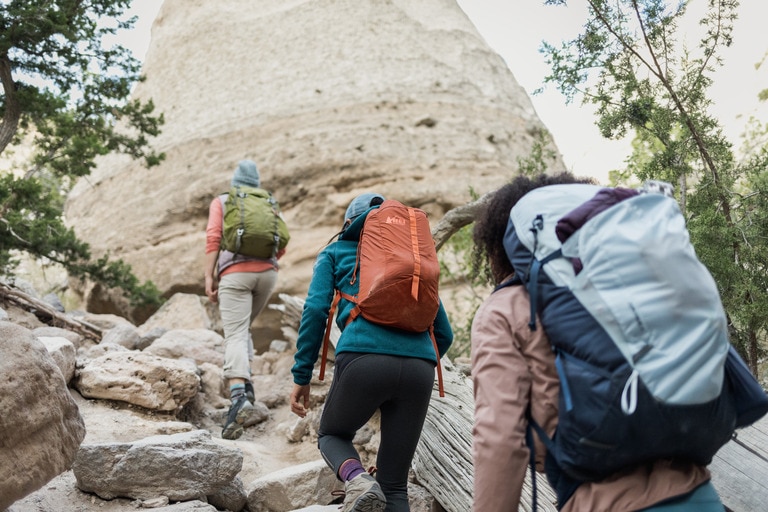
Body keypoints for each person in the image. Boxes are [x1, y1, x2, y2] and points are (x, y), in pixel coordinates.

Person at [470, 173, 725, 512]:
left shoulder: (506, 308)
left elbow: (499, 440)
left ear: (500, 245)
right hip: (701, 496)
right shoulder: (632, 288)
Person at [289, 192, 453, 512]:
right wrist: (412, 361)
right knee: (395, 487)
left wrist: (302, 376)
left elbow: (314, 311)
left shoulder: (335, 252)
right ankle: (376, 487)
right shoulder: (411, 264)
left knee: (332, 435)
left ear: (349, 225)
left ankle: (358, 479)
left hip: (363, 358)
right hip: (420, 368)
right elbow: (443, 334)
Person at [205, 159, 286, 440]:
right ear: (257, 182)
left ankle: (238, 395)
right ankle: (249, 385)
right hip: (267, 275)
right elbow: (283, 240)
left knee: (235, 333)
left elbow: (214, 238)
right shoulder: (270, 203)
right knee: (244, 328)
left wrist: (209, 276)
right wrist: (269, 263)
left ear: (235, 180)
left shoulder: (224, 201)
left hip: (235, 274)